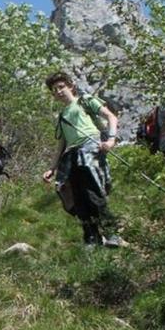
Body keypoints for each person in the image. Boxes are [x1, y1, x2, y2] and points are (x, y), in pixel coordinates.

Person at [41, 72, 123, 248]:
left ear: (71, 86)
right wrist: (52, 168)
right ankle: (91, 238)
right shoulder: (62, 116)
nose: (59, 92)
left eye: (61, 87)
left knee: (94, 192)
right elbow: (61, 144)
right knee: (79, 198)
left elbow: (111, 117)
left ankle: (112, 234)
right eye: (55, 90)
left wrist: (111, 139)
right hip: (71, 156)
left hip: (90, 148)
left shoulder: (84, 100)